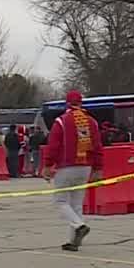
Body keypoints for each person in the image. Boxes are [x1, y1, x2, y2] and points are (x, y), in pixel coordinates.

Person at [43, 91, 102, 250]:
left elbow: (53, 146)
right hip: (85, 167)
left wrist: (48, 165)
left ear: (67, 103)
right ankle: (74, 241)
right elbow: (97, 146)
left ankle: (79, 225)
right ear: (81, 103)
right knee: (76, 205)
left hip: (66, 166)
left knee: (60, 201)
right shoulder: (92, 122)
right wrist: (98, 167)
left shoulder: (61, 121)